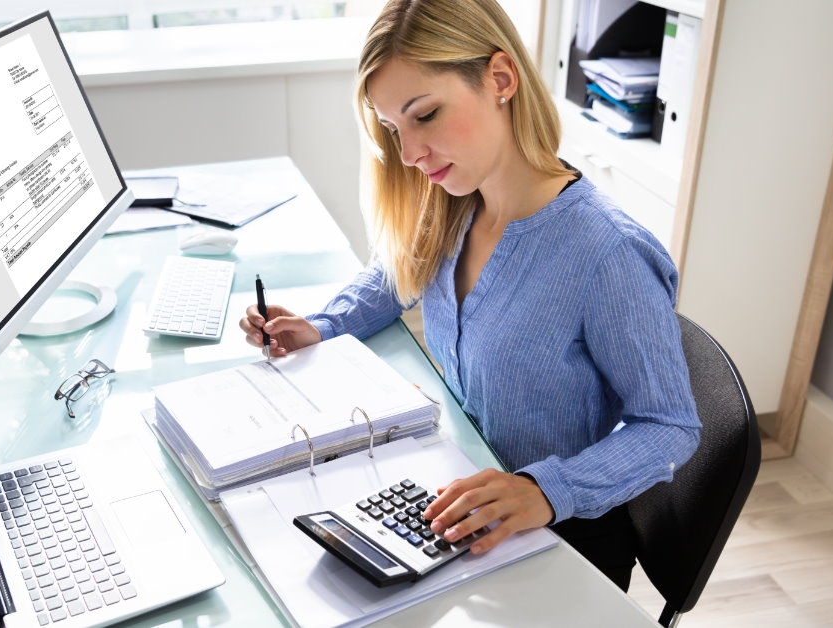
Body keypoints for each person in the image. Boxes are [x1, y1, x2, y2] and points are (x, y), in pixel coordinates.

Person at [238, 0, 701, 591]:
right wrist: (321, 325)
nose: (408, 154)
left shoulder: (607, 255)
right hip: (455, 503)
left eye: (425, 115)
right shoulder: (457, 203)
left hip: (558, 540)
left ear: (500, 79)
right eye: (393, 129)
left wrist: (542, 491)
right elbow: (395, 273)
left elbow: (669, 426)